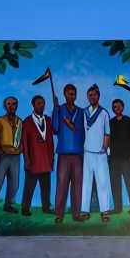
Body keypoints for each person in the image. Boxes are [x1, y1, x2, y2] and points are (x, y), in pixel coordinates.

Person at [52, 83, 86, 223]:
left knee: (78, 185)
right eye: (69, 93)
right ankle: (59, 214)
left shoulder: (81, 111)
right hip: (64, 153)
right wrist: (55, 110)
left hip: (78, 153)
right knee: (61, 184)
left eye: (74, 93)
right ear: (64, 94)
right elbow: (55, 128)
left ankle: (76, 214)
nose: (72, 96)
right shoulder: (59, 110)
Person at [80, 84, 110, 222]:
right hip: (87, 152)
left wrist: (104, 148)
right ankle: (85, 210)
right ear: (87, 97)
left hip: (100, 153)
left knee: (102, 182)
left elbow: (107, 133)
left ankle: (105, 211)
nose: (91, 97)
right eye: (89, 95)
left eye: (94, 94)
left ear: (98, 96)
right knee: (86, 182)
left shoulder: (104, 113)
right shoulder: (84, 113)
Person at [21, 94, 55, 216]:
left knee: (46, 186)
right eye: (39, 103)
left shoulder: (49, 120)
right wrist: (26, 158)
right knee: (29, 186)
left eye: (43, 103)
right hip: (33, 159)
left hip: (46, 158)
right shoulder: (28, 121)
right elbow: (24, 140)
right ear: (33, 105)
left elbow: (53, 136)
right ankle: (25, 208)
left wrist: (52, 157)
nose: (41, 105)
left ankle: (46, 207)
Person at [108, 97, 130, 214]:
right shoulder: (110, 122)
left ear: (123, 107)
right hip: (114, 158)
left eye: (119, 106)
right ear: (113, 109)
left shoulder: (128, 120)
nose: (117, 108)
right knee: (115, 183)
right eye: (115, 107)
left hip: (127, 157)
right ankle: (117, 208)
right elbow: (108, 139)